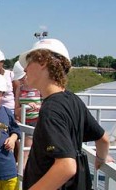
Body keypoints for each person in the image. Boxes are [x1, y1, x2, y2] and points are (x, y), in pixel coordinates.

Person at [19, 38, 110, 189]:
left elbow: (67, 166)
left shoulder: (50, 110)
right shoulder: (73, 100)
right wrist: (101, 158)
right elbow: (103, 139)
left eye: (29, 62)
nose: (25, 69)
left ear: (42, 62)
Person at [12, 61, 42, 168]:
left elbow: (47, 105)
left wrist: (36, 106)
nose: (21, 81)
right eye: (19, 79)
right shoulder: (20, 89)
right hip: (23, 122)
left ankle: (23, 174)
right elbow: (16, 110)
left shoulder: (39, 88)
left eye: (22, 78)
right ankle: (23, 173)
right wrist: (24, 108)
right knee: (23, 151)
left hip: (36, 122)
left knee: (26, 152)